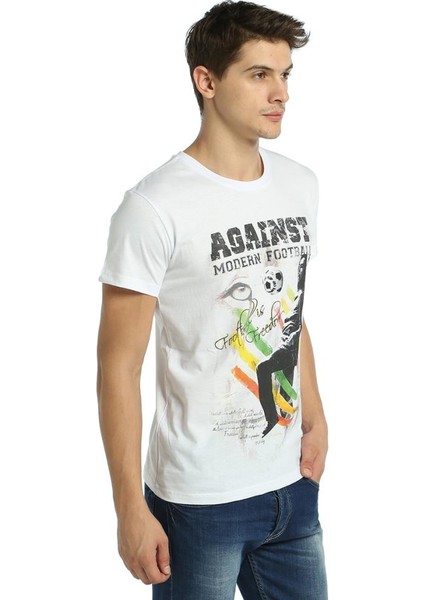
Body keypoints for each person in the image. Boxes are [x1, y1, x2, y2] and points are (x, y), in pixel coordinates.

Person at [97, 2, 328, 598]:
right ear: (207, 80)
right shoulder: (153, 207)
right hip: (197, 501)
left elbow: (293, 314)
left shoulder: (300, 184)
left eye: (285, 74)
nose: (280, 93)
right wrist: (129, 508)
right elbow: (118, 366)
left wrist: (315, 417)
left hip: (291, 489)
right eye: (259, 74)